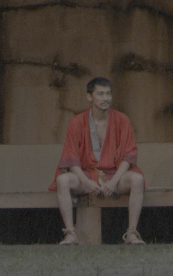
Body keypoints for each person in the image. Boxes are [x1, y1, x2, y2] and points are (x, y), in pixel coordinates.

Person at [50, 76, 146, 245]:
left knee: (137, 179)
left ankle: (131, 232)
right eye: (100, 94)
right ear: (90, 97)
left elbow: (128, 156)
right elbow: (71, 160)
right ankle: (70, 233)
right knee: (62, 180)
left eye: (108, 94)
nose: (105, 98)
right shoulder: (77, 122)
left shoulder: (122, 120)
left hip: (114, 175)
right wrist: (86, 182)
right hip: (87, 175)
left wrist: (113, 181)